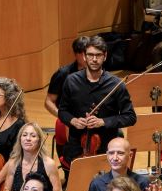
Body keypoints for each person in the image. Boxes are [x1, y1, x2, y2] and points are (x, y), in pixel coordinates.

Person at [58, 36, 137, 168]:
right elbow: (63, 111)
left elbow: (130, 117)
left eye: (98, 55)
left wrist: (103, 122)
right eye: (90, 55)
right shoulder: (71, 81)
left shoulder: (116, 85)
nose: (94, 59)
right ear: (84, 56)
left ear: (105, 56)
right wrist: (73, 121)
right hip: (77, 146)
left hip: (107, 148)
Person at [0, 122, 64, 191]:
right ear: (20, 139)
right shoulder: (13, 163)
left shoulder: (49, 164)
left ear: (39, 140)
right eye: (24, 135)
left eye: (33, 136)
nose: (28, 139)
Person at [45, 36, 89, 117]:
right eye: (81, 53)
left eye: (87, 53)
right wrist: (63, 116)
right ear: (75, 54)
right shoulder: (62, 74)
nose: (85, 57)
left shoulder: (96, 72)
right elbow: (49, 101)